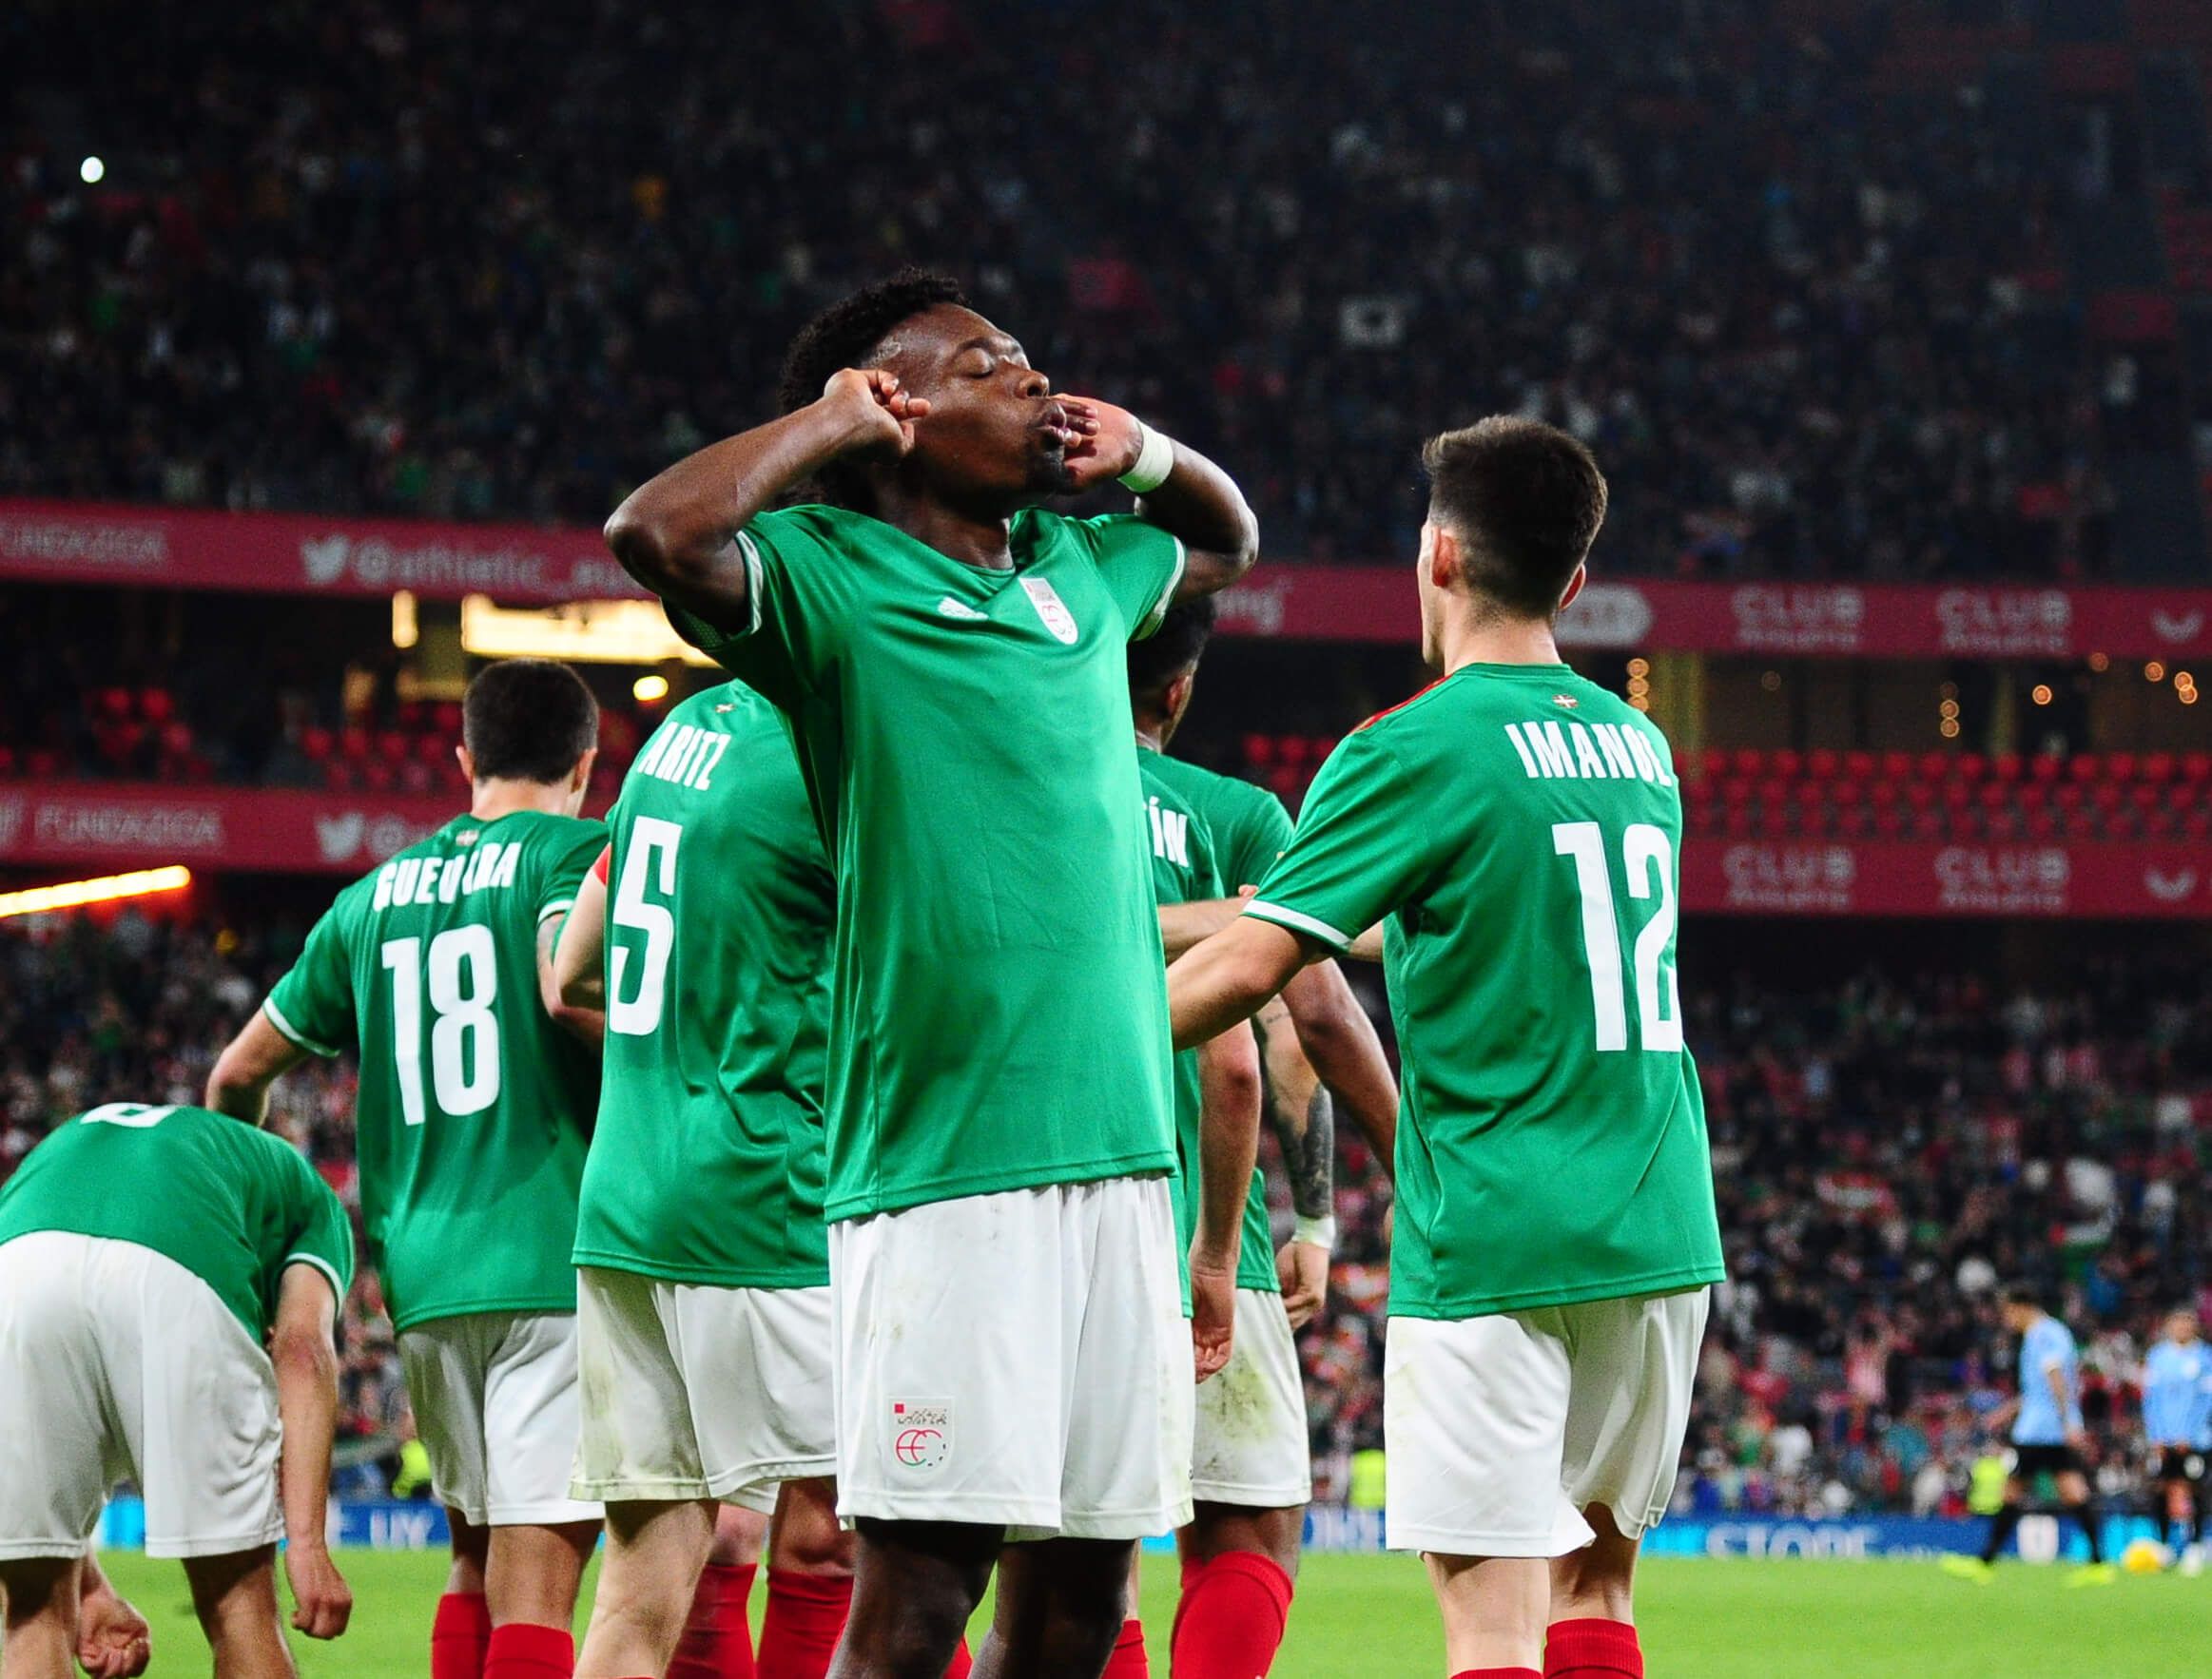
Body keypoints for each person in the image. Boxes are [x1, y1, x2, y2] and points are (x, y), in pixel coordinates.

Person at [601, 268, 1257, 1679]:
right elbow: (655, 530)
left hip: (1120, 1157)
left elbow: (1225, 538)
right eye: (982, 364)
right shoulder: (831, 581)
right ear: (892, 413)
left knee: (1084, 1594)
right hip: (945, 1166)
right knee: (915, 1601)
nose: (1031, 378)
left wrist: (1148, 452)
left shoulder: (1082, 569)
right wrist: (827, 425)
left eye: (1025, 355)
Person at [1165, 416, 1724, 1679]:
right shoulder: (1636, 745)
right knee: (1597, 1588)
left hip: (1493, 1227)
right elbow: (1478, 917)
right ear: (1572, 583)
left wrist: (1054, 1036)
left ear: (1437, 556)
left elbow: (1253, 967)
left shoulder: (1410, 746)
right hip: (1656, 1221)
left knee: (1490, 1625)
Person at [554, 681, 973, 1679]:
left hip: (625, 1203)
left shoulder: (679, 734)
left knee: (637, 1593)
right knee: (912, 1547)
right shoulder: (836, 752)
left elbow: (572, 972)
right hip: (763, 1200)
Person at [206, 658, 609, 1679]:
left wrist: (256, 1244)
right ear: (586, 763)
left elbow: (236, 1074)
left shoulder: (370, 899)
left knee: (470, 1562)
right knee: (538, 1589)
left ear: (465, 758)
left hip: (422, 1279)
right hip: (552, 1257)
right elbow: (574, 990)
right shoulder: (578, 853)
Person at [1122, 601, 1402, 1679]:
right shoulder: (1233, 815)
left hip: (1028, 1218)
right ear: (1179, 688)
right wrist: (1317, 1220)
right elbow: (1298, 1025)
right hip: (1205, 1238)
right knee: (1246, 1532)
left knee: (1070, 1556)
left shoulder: (1013, 798)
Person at [0, 1100, 354, 1679]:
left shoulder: (93, 1134)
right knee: (238, 1607)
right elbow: (301, 1349)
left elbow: (71, 1269)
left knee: (33, 1612)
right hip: (178, 1267)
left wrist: (88, 1588)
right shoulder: (308, 1194)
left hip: (16, 1265)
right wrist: (308, 1546)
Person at [1944, 1284, 2115, 1586]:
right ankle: (2098, 1562)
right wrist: (2006, 1412)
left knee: (2015, 1491)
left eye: (2008, 1311)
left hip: (2041, 1430)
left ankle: (1985, 1562)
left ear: (2022, 1307)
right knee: (2071, 1491)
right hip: (2044, 1427)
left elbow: (2055, 1378)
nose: (2006, 1318)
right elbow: (2039, 1389)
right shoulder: (2042, 1334)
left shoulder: (2045, 1334)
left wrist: (2067, 1421)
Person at [2140, 1307, 2210, 1574]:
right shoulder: (2157, 1357)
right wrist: (2156, 1435)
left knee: (2194, 1489)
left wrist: (2188, 1434)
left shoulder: (2205, 1357)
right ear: (2169, 1326)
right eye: (2177, 1323)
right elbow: (2150, 1400)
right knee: (2161, 1488)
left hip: (2195, 1440)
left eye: (2187, 1323)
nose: (2182, 1328)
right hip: (2163, 1439)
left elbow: (2206, 1401)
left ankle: (2195, 1546)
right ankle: (2165, 1545)